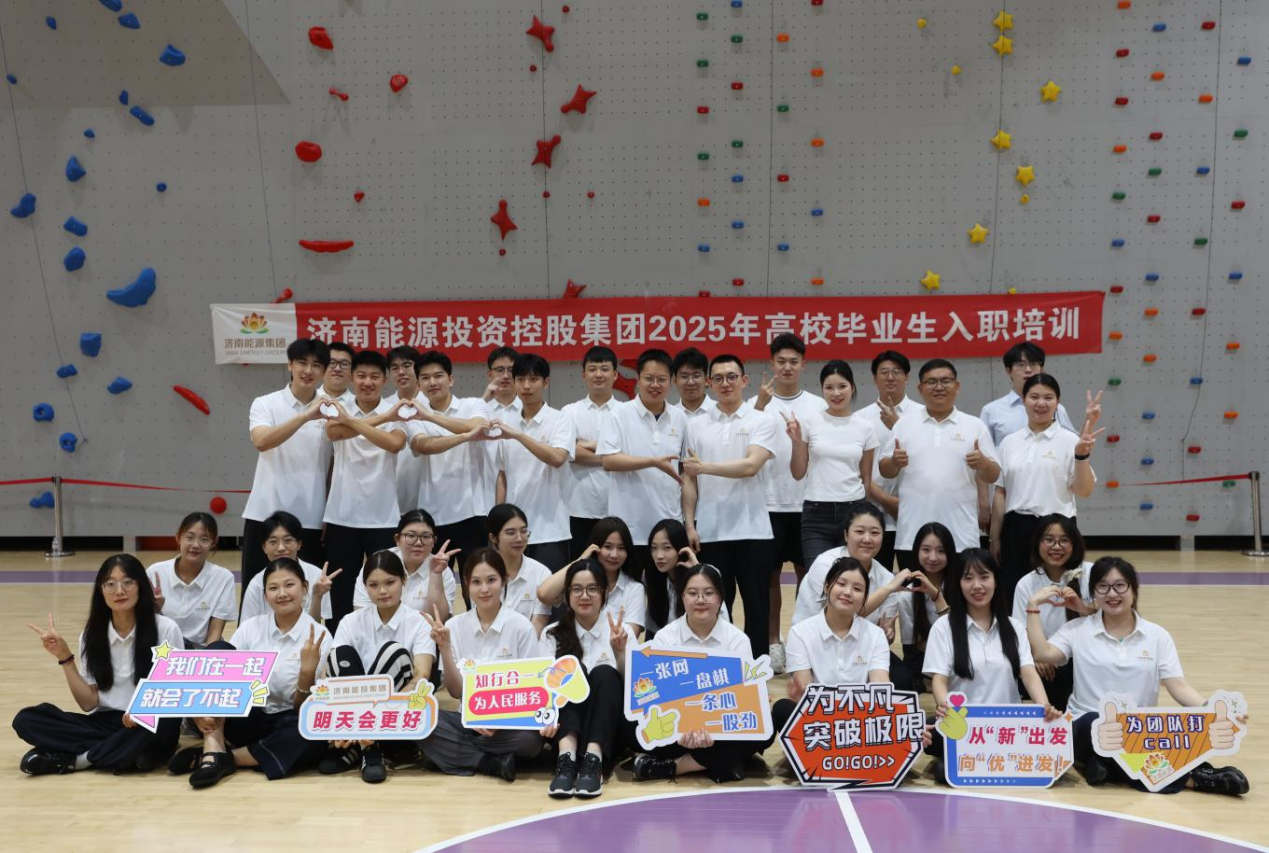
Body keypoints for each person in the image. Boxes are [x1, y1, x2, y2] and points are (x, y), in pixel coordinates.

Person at [1025, 557, 1250, 795]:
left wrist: (1213, 710)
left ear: (1134, 589)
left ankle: (1106, 766)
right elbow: (1042, 653)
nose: (1112, 593)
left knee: (1170, 732)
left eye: (1120, 585)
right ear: (1093, 593)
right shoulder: (1077, 629)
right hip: (1085, 726)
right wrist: (1032, 606)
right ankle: (1193, 778)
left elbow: (1178, 686)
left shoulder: (1157, 635)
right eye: (1103, 586)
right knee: (1097, 722)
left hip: (1139, 732)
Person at [169, 558, 331, 788]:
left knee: (313, 729)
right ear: (265, 595)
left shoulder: (319, 635)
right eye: (273, 588)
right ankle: (213, 745)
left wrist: (306, 673)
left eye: (289, 585)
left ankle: (221, 758)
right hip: (247, 716)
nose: (282, 594)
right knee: (219, 649)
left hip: (288, 719)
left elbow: (304, 708)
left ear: (304, 588)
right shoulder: (250, 628)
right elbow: (223, 677)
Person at [15, 555, 184, 775]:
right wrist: (65, 658)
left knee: (162, 724)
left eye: (128, 582)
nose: (119, 591)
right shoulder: (91, 636)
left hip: (149, 720)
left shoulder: (166, 629)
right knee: (27, 719)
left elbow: (176, 693)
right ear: (100, 591)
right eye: (110, 584)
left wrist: (143, 712)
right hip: (106, 722)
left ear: (141, 586)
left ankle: (80, 759)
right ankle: (125, 753)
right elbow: (88, 703)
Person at [923, 548, 1060, 779]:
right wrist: (948, 710)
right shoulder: (943, 627)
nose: (977, 585)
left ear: (996, 581)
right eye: (968, 578)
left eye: (984, 576)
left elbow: (1028, 674)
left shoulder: (1014, 627)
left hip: (1007, 726)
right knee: (928, 734)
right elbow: (939, 680)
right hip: (964, 724)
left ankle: (968, 761)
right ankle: (970, 759)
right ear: (958, 584)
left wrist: (1043, 707)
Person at [630, 564, 773, 782]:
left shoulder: (737, 640)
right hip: (676, 731)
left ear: (720, 597)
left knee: (768, 725)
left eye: (708, 593)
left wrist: (756, 700)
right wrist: (683, 730)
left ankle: (679, 766)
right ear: (682, 596)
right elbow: (658, 700)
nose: (700, 600)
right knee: (633, 727)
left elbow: (739, 701)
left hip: (722, 729)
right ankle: (725, 762)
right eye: (692, 593)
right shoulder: (664, 638)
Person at [418, 549, 546, 780]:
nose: (484, 589)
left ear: (503, 581)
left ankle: (452, 754)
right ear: (466, 584)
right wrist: (444, 648)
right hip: (468, 722)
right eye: (476, 582)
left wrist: (500, 722)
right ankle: (489, 762)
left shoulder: (521, 627)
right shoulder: (454, 626)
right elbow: (456, 692)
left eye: (491, 580)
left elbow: (532, 690)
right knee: (422, 719)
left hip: (509, 724)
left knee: (530, 740)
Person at [682, 354, 778, 657]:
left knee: (757, 606)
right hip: (711, 531)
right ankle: (723, 665)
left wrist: (705, 467)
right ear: (710, 383)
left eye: (732, 377)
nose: (726, 383)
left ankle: (757, 669)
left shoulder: (761, 420)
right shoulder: (696, 424)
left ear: (744, 381)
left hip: (753, 530)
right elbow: (689, 479)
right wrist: (689, 524)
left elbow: (751, 466)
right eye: (719, 378)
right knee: (715, 606)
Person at [319, 551, 438, 783]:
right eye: (373, 585)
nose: (382, 591)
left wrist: (378, 713)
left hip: (396, 710)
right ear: (365, 587)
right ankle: (365, 746)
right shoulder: (350, 621)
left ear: (404, 580)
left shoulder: (419, 622)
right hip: (354, 711)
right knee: (340, 655)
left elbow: (421, 676)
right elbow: (329, 673)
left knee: (394, 653)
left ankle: (367, 747)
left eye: (390, 582)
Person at [879, 359, 1001, 569]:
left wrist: (983, 463)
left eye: (946, 381)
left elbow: (994, 475)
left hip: (961, 535)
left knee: (960, 589)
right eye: (931, 382)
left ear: (957, 386)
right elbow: (885, 470)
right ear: (920, 388)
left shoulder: (974, 425)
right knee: (915, 589)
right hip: (912, 535)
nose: (939, 387)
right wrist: (894, 462)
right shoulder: (904, 424)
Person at [753, 333, 825, 673]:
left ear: (803, 365)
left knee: (807, 579)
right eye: (780, 361)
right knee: (769, 580)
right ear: (771, 364)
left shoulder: (817, 405)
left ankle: (801, 642)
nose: (786, 367)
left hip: (808, 504)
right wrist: (757, 407)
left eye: (793, 361)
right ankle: (773, 643)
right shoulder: (758, 403)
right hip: (765, 504)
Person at [322, 350, 409, 630]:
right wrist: (377, 420)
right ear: (351, 377)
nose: (367, 382)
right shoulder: (338, 406)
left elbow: (394, 444)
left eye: (374, 376)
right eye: (361, 376)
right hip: (342, 516)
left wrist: (351, 422)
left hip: (383, 517)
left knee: (384, 589)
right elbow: (334, 433)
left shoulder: (397, 410)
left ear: (385, 380)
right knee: (339, 590)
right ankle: (338, 646)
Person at [991, 375, 1103, 587]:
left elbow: (1083, 491)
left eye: (1048, 397)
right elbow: (1000, 493)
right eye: (1034, 397)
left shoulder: (1070, 440)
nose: (1041, 403)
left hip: (1058, 531)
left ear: (1058, 402)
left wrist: (1082, 456)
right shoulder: (1009, 442)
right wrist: (995, 539)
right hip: (1016, 529)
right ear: (1024, 400)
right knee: (1015, 592)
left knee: (1060, 593)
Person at [539, 559, 637, 798]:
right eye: (577, 589)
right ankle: (567, 759)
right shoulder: (551, 634)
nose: (585, 596)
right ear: (567, 594)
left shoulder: (621, 632)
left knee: (604, 673)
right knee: (572, 669)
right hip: (564, 730)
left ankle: (593, 761)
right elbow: (544, 689)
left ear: (604, 592)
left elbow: (634, 688)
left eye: (592, 588)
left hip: (608, 731)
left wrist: (620, 652)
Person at [241, 338, 331, 595]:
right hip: (264, 512)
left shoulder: (332, 408)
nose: (308, 370)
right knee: (257, 590)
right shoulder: (265, 403)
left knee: (307, 592)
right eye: (302, 362)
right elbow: (261, 441)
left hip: (310, 517)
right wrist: (305, 416)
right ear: (290, 365)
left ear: (324, 371)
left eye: (316, 365)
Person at [791, 501, 907, 689]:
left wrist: (887, 633)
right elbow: (841, 612)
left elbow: (885, 634)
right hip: (817, 646)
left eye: (875, 533)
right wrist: (888, 589)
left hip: (859, 651)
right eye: (859, 532)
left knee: (903, 680)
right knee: (813, 690)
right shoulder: (826, 564)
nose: (867, 539)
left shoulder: (886, 578)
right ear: (846, 535)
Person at [772, 557, 891, 733]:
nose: (848, 592)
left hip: (860, 720)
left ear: (865, 598)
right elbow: (805, 690)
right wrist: (801, 696)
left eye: (857, 589)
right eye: (841, 584)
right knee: (783, 708)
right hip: (817, 718)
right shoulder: (800, 633)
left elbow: (880, 687)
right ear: (827, 587)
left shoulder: (876, 635)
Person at [597, 348, 688, 576]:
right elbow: (608, 460)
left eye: (662, 379)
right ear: (638, 379)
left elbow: (687, 470)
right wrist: (652, 462)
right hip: (629, 527)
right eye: (649, 378)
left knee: (665, 594)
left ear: (672, 381)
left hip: (668, 526)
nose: (655, 385)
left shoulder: (680, 417)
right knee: (629, 590)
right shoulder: (619, 414)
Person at [786, 360, 879, 570]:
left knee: (851, 576)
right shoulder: (809, 422)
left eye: (842, 386)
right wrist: (796, 442)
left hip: (854, 511)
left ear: (852, 387)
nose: (836, 393)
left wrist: (865, 515)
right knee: (818, 575)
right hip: (816, 512)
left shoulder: (865, 427)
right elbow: (798, 473)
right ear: (822, 390)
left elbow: (866, 478)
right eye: (829, 387)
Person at [406, 349, 494, 567]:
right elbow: (422, 445)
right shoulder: (413, 414)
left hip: (472, 512)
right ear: (418, 384)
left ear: (451, 379)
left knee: (475, 580)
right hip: (432, 514)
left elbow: (477, 426)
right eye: (425, 378)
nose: (432, 382)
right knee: (433, 581)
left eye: (438, 376)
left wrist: (430, 417)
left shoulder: (473, 405)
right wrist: (465, 436)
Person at [493, 353, 577, 570]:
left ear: (546, 382)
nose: (526, 386)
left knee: (550, 589)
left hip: (551, 530)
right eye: (520, 379)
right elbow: (502, 475)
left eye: (533, 379)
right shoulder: (507, 422)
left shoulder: (561, 419)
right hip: (512, 531)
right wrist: (498, 520)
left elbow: (557, 458)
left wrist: (518, 435)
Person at [1010, 514, 1093, 712]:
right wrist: (1036, 656)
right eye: (1049, 540)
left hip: (1088, 655)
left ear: (1074, 544)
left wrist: (1082, 607)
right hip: (1050, 660)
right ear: (1037, 544)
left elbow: (1108, 615)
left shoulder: (1091, 573)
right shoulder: (1026, 583)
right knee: (1042, 670)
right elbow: (1020, 630)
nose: (1056, 547)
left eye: (1064, 540)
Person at [854, 350, 920, 570]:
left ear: (907, 377)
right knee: (871, 580)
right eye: (884, 372)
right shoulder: (859, 419)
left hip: (914, 513)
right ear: (874, 378)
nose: (890, 377)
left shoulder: (923, 415)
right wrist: (886, 500)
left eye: (896, 372)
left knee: (914, 580)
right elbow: (855, 469)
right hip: (872, 514)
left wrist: (898, 425)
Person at [538, 517, 647, 637]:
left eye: (621, 548)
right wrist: (580, 560)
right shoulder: (578, 581)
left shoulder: (634, 589)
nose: (614, 555)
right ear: (595, 547)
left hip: (614, 648)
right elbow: (544, 595)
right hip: (574, 646)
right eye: (608, 547)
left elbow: (629, 637)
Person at [146, 512, 237, 647]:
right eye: (190, 537)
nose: (196, 545)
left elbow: (214, 633)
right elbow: (144, 625)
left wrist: (204, 657)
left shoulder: (223, 578)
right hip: (164, 649)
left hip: (200, 650)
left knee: (223, 648)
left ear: (213, 542)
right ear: (178, 537)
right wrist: (153, 609)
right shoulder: (155, 572)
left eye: (204, 539)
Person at [563, 346, 620, 560]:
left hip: (618, 507)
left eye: (604, 369)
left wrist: (588, 444)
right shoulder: (569, 412)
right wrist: (612, 456)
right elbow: (569, 452)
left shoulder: (627, 411)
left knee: (614, 569)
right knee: (581, 569)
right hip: (578, 509)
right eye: (592, 369)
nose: (598, 374)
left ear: (615, 374)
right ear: (583, 375)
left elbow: (631, 452)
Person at [353, 510, 458, 620]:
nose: (418, 542)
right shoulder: (378, 562)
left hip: (426, 630)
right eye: (411, 535)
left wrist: (435, 575)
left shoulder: (442, 570)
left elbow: (439, 620)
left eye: (426, 536)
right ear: (397, 539)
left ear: (433, 541)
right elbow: (361, 614)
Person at [240, 510, 336, 623]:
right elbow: (246, 626)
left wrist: (317, 597)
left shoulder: (317, 576)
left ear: (299, 543)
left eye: (288, 540)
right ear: (264, 547)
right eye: (273, 542)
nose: (281, 548)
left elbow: (315, 625)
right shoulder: (256, 583)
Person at [892, 522, 956, 690]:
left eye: (941, 551)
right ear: (917, 551)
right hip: (926, 666)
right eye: (926, 550)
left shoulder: (962, 586)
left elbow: (960, 635)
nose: (933, 557)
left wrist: (936, 596)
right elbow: (911, 648)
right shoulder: (908, 595)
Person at [980, 342, 1077, 447]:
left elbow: (1071, 445)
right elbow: (984, 451)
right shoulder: (991, 411)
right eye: (1021, 365)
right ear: (1009, 370)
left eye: (1033, 364)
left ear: (1041, 369)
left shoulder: (1056, 409)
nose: (1028, 370)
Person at [646, 519, 729, 627]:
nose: (659, 555)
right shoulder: (652, 579)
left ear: (681, 548)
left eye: (667, 548)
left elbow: (723, 619)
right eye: (654, 548)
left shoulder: (709, 573)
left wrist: (698, 570)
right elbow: (653, 628)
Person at [488, 504, 552, 633]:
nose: (519, 538)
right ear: (493, 537)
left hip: (529, 643)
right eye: (511, 533)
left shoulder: (541, 573)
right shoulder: (482, 571)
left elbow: (539, 622)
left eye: (523, 531)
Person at [479, 346, 522, 516]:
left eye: (511, 370)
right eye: (499, 370)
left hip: (522, 497)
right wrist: (483, 400)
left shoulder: (529, 411)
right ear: (489, 374)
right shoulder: (479, 410)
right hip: (482, 499)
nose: (505, 376)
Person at [383, 345, 424, 517]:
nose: (401, 372)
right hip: (392, 496)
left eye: (407, 365)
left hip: (428, 493)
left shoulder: (431, 404)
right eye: (394, 368)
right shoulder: (384, 407)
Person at [670, 347, 715, 418]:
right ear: (675, 380)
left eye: (696, 376)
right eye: (684, 376)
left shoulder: (721, 411)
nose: (690, 382)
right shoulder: (669, 415)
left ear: (706, 380)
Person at [318, 341, 357, 408]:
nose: (337, 369)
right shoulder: (308, 399)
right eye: (332, 363)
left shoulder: (360, 404)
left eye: (344, 364)